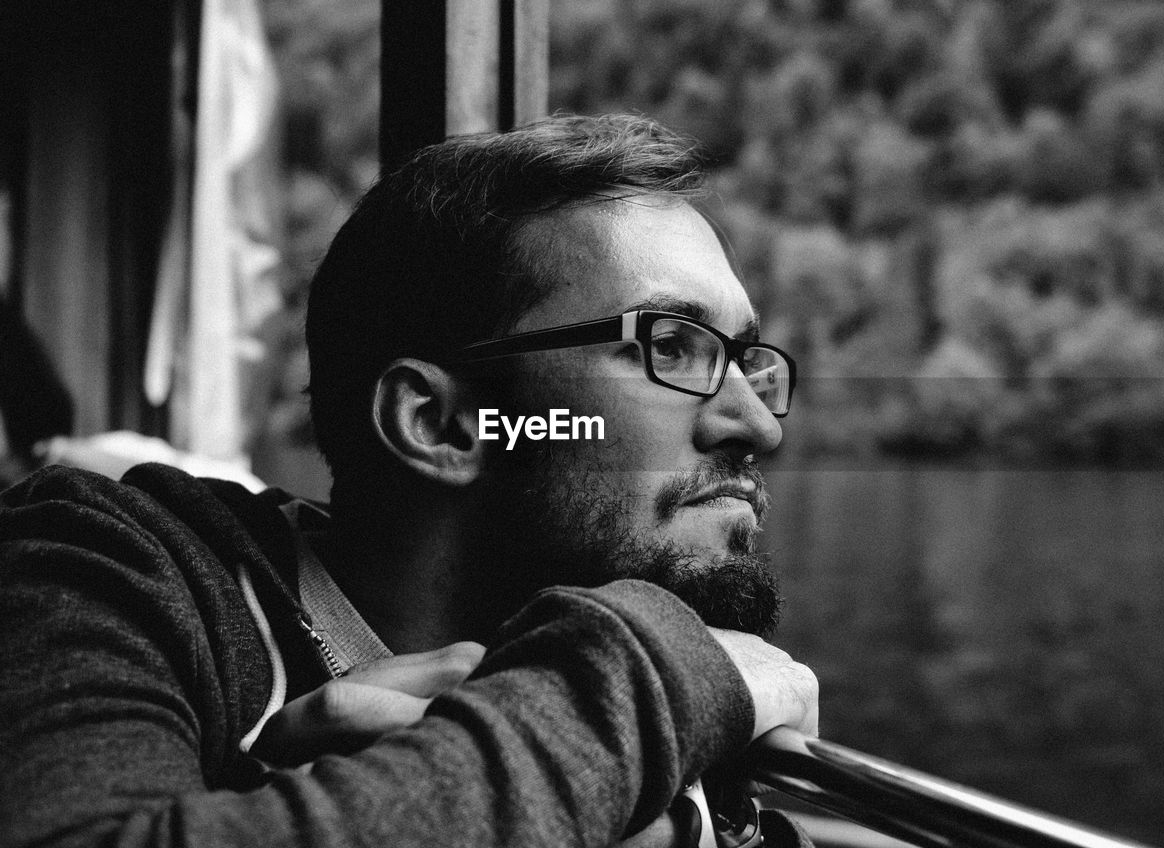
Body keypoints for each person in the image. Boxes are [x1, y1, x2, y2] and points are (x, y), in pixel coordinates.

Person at [0, 114, 818, 848]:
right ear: (442, 425)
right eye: (671, 346)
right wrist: (653, 680)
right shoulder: (108, 571)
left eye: (747, 362)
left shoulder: (660, 760)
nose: (758, 425)